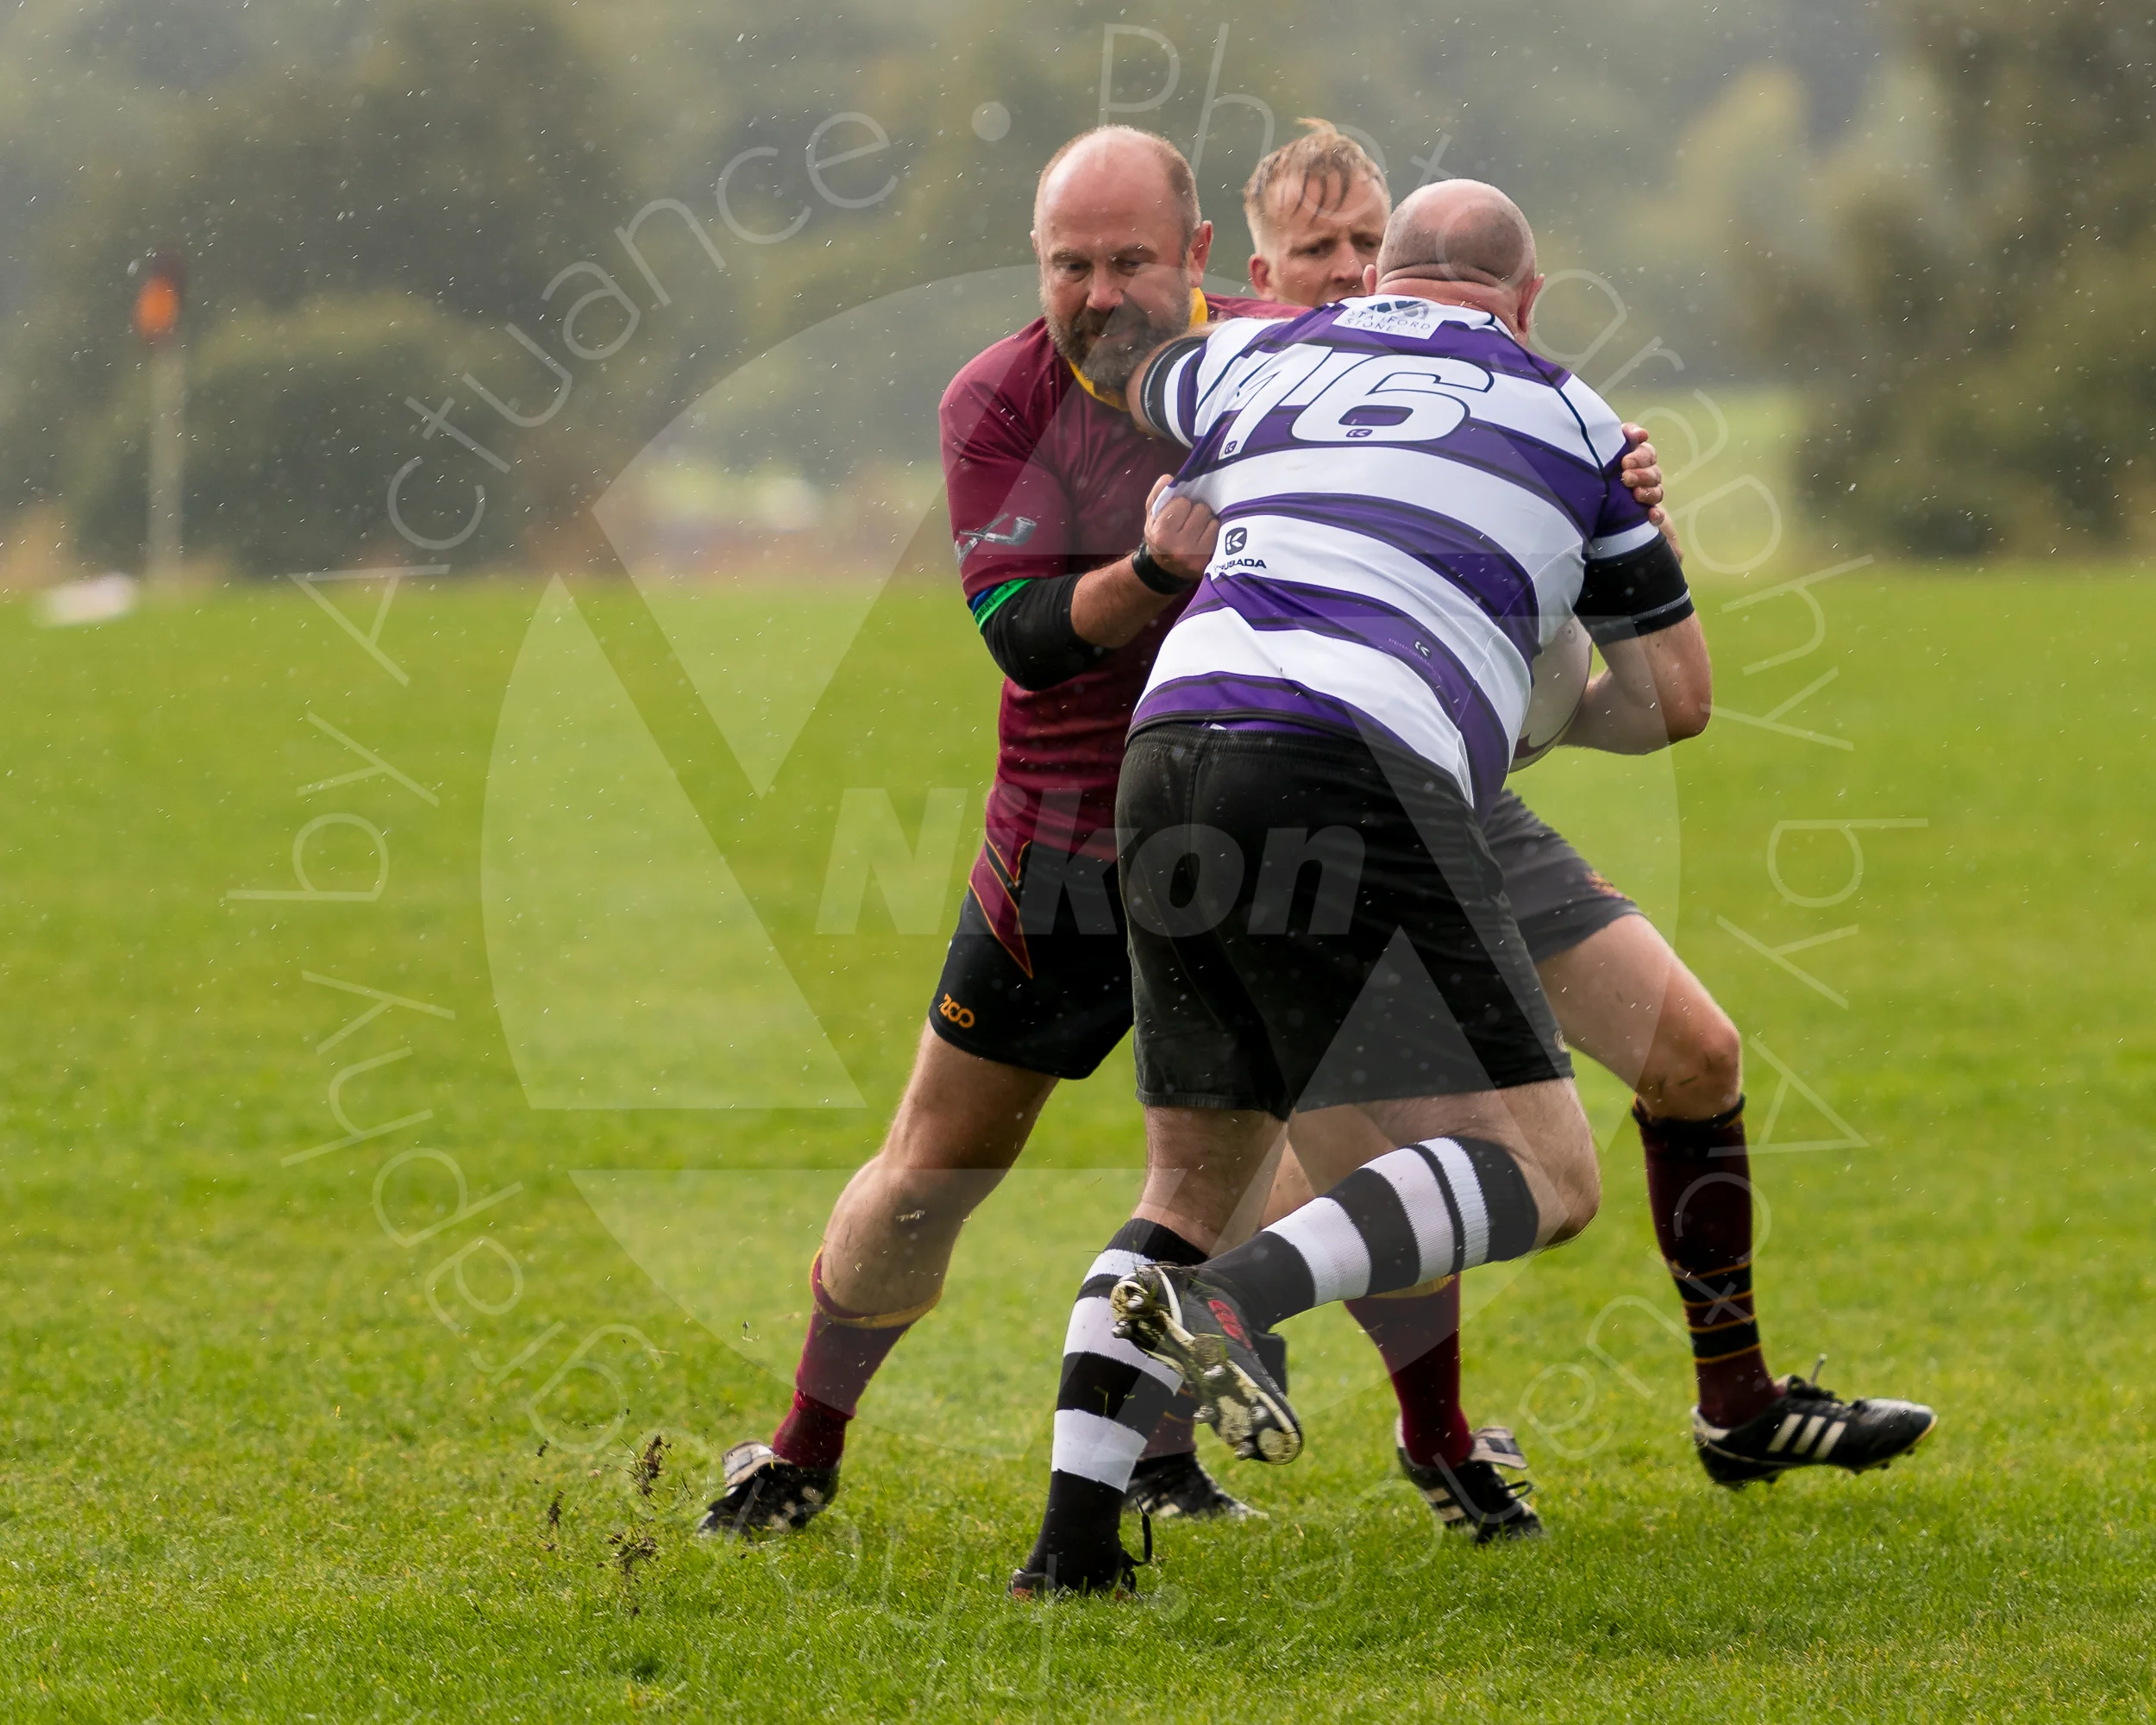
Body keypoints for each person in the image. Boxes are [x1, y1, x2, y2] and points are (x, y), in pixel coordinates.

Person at [698, 127, 1666, 1539]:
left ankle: (1431, 1443)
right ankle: (801, 1447)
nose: (1097, 292)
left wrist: (1614, 481)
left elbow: (1458, 428)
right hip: (1072, 850)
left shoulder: (1280, 353)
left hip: (1273, 824)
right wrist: (1153, 567)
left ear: (1200, 256)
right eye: (1068, 265)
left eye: (1129, 261)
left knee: (1372, 1129)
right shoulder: (997, 402)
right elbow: (1020, 639)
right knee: (929, 1172)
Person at [1009, 176, 1722, 1596]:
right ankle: (1231, 1308)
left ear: (1379, 277)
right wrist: (1542, 694)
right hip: (1359, 757)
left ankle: (1069, 1555)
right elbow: (1679, 700)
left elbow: (1126, 363)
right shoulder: (1574, 416)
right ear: (1525, 301)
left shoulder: (1251, 357)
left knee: (1189, 1176)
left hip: (1172, 745)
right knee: (1546, 1170)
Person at [1230, 121, 1937, 1534]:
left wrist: (1599, 506)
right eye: (1323, 251)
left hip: (1459, 795)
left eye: (1371, 243)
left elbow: (1658, 691)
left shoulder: (1510, 401)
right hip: (1266, 784)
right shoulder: (1248, 380)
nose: (1356, 271)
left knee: (1694, 1053)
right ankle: (1268, 1413)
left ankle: (1735, 1409)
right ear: (1259, 271)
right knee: (1290, 1147)